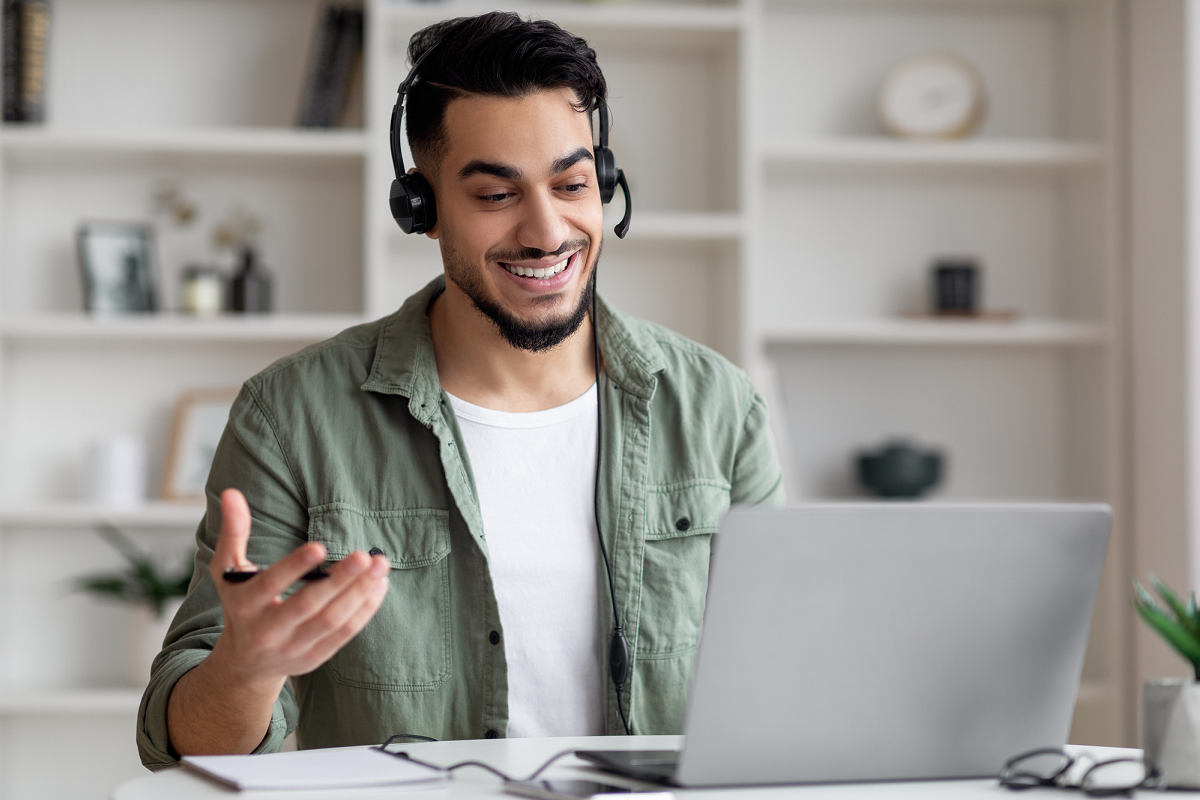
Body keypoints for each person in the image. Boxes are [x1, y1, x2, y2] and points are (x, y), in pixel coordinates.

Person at [136, 11, 784, 769]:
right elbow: (182, 743)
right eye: (495, 195)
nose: (547, 232)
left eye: (573, 184)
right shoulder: (291, 415)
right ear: (423, 208)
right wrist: (246, 669)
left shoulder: (717, 406)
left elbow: (780, 673)